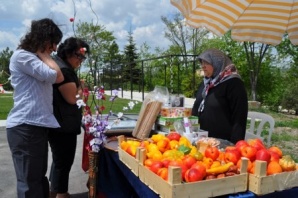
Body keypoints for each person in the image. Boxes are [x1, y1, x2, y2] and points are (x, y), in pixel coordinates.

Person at [6, 18, 63, 198]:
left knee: (38, 179)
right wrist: (43, 54)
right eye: (53, 43)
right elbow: (56, 76)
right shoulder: (23, 56)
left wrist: (43, 53)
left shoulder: (33, 57)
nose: (54, 49)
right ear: (44, 39)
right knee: (29, 182)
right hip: (25, 126)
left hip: (35, 126)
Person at [48, 37, 89, 198]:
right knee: (63, 162)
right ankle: (61, 194)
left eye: (82, 57)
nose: (81, 60)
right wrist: (82, 87)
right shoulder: (64, 70)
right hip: (63, 123)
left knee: (59, 161)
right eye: (79, 56)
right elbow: (74, 99)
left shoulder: (59, 65)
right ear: (68, 53)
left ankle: (54, 192)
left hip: (59, 122)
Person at [192, 49, 248, 144]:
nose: (203, 66)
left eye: (207, 62)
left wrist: (235, 146)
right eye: (202, 63)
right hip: (201, 141)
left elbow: (239, 118)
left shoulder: (234, 84)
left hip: (223, 144)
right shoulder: (206, 84)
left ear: (217, 63)